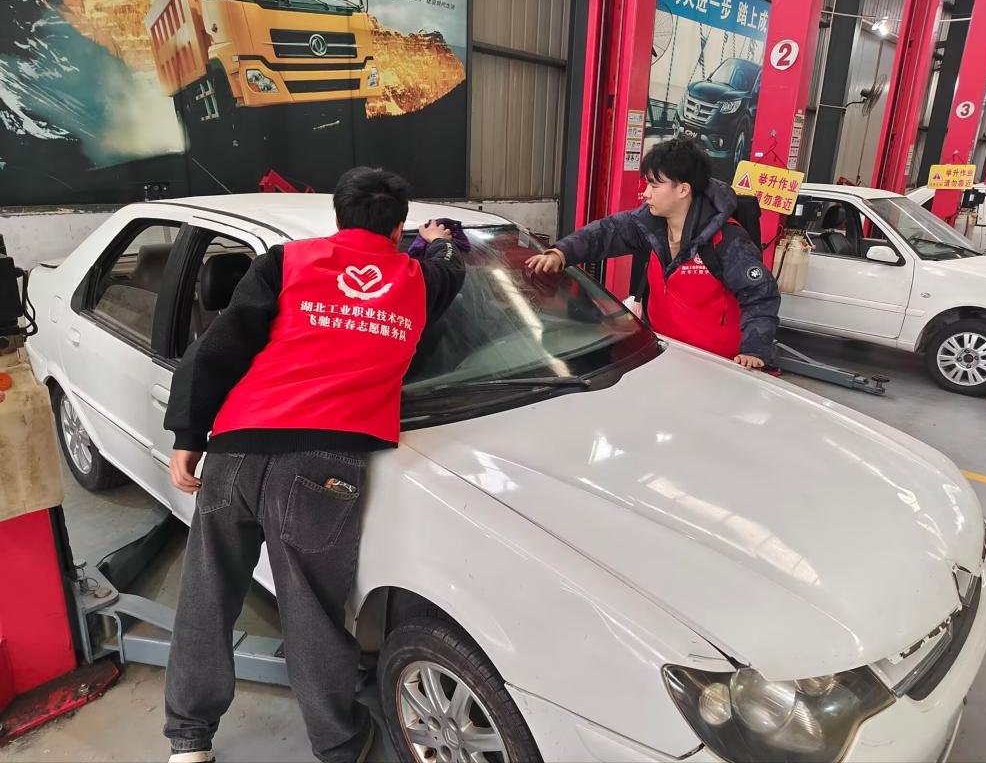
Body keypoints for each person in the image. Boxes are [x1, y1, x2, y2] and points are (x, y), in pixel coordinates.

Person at [161, 167, 465, 763]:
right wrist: (437, 240)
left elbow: (220, 344)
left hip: (237, 446)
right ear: (398, 228)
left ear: (338, 216)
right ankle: (338, 744)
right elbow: (451, 266)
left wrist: (188, 434)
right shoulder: (419, 280)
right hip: (323, 461)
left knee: (206, 596)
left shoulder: (286, 262)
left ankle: (189, 740)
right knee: (311, 612)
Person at [526, 138, 779, 369]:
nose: (646, 193)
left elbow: (760, 295)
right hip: (664, 356)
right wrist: (561, 252)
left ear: (683, 190)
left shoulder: (728, 240)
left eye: (654, 185)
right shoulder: (649, 225)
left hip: (716, 368)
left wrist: (754, 350)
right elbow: (605, 232)